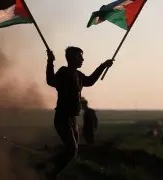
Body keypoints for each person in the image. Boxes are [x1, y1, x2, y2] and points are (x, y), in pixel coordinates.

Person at [46, 46, 113, 178]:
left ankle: (50, 167)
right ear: (72, 58)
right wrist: (50, 62)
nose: (82, 59)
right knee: (72, 150)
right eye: (79, 56)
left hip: (72, 119)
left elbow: (90, 81)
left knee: (73, 151)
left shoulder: (78, 75)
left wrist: (104, 66)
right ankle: (49, 173)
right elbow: (51, 81)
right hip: (62, 118)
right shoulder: (64, 72)